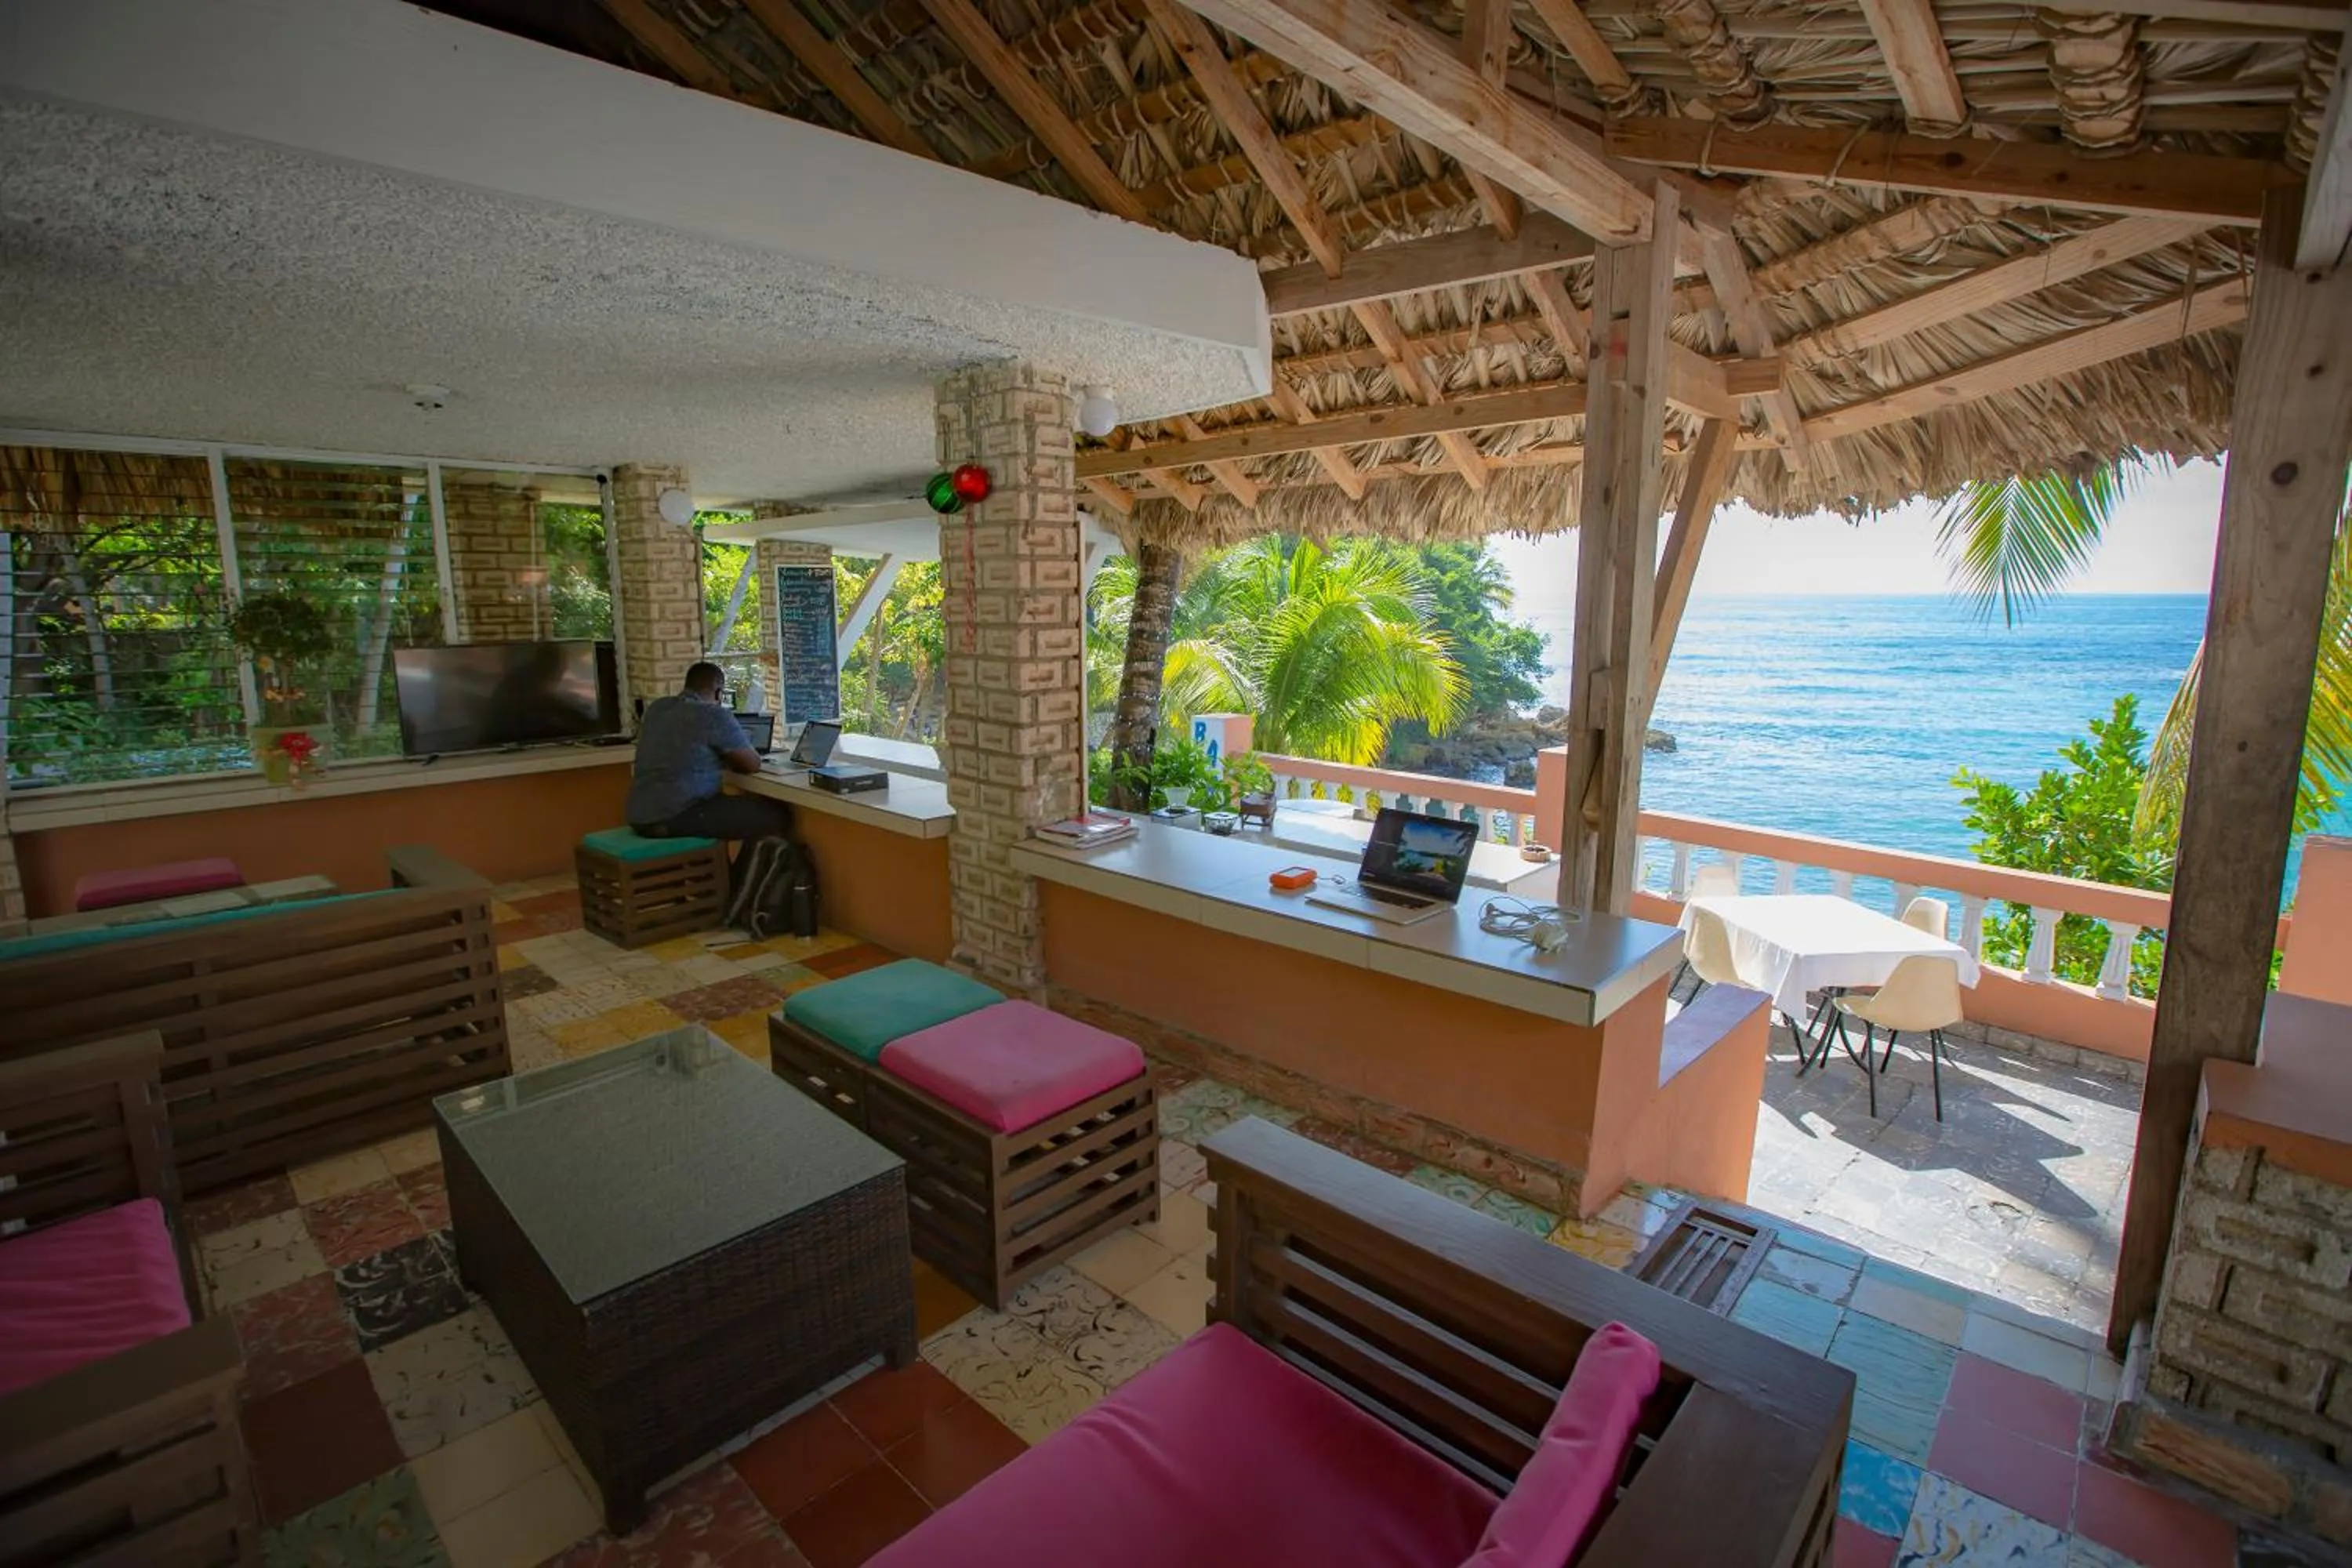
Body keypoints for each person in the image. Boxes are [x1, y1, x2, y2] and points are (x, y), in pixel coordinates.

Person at [626, 662, 793, 846]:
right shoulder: (713, 714)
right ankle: (740, 874)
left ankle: (733, 871)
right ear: (718, 692)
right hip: (677, 815)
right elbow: (752, 765)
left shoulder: (658, 708)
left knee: (738, 811)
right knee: (775, 816)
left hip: (639, 814)